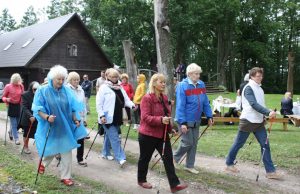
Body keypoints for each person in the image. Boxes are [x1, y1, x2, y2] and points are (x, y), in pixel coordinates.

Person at [32, 65, 88, 186]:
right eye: (59, 79)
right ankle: (43, 163)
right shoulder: (43, 90)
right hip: (50, 125)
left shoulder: (66, 91)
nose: (61, 82)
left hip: (65, 126)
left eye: (63, 79)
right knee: (52, 147)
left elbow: (73, 108)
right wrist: (47, 117)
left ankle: (65, 177)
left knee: (66, 150)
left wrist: (75, 119)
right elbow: (37, 108)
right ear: (52, 78)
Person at [225, 67, 282, 179]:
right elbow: (253, 104)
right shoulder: (248, 88)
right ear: (251, 76)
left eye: (261, 76)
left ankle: (270, 172)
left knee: (265, 145)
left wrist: (268, 112)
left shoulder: (260, 89)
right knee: (239, 144)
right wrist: (267, 112)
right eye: (257, 76)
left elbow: (261, 104)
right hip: (248, 121)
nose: (260, 78)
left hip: (259, 122)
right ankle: (229, 163)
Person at [137, 73, 188, 193]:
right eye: (161, 82)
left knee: (168, 159)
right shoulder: (147, 98)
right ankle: (141, 180)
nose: (164, 84)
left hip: (162, 134)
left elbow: (167, 115)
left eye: (164, 82)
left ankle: (174, 185)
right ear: (154, 83)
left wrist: (172, 128)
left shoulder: (164, 98)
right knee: (145, 158)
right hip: (147, 134)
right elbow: (145, 117)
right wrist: (160, 120)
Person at [173, 63, 213, 174]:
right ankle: (174, 159)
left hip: (196, 119)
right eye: (196, 74)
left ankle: (189, 166)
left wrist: (209, 116)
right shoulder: (182, 85)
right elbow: (180, 105)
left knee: (194, 144)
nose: (198, 76)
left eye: (199, 74)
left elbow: (205, 102)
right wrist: (183, 122)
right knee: (188, 143)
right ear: (189, 74)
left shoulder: (201, 84)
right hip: (185, 119)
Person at [96, 68, 135, 167]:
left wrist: (133, 105)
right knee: (115, 138)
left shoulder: (120, 87)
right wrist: (101, 115)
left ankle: (105, 153)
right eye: (112, 76)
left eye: (116, 76)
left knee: (109, 136)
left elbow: (126, 100)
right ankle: (121, 158)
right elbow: (98, 103)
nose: (114, 78)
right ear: (107, 76)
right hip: (106, 118)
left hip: (118, 116)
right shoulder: (103, 88)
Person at [67, 71, 88, 167]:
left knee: (80, 138)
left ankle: (80, 158)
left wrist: (84, 118)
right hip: (69, 117)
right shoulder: (66, 89)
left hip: (80, 117)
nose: (76, 81)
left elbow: (83, 105)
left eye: (77, 79)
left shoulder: (81, 90)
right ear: (70, 80)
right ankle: (62, 155)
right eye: (74, 80)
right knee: (68, 138)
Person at [2, 73, 24, 145]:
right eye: (16, 81)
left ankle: (10, 131)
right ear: (13, 80)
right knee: (14, 123)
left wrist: (23, 104)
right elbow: (3, 97)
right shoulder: (8, 86)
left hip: (18, 106)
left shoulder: (21, 86)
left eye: (18, 81)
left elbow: (22, 95)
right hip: (10, 106)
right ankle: (16, 139)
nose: (17, 83)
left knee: (17, 123)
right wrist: (6, 99)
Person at [18, 81, 40, 154]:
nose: (36, 91)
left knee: (37, 133)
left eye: (37, 89)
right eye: (34, 89)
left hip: (37, 117)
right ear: (31, 88)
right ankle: (26, 147)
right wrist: (30, 116)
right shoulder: (25, 95)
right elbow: (24, 107)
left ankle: (40, 146)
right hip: (27, 117)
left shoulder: (40, 95)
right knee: (26, 133)